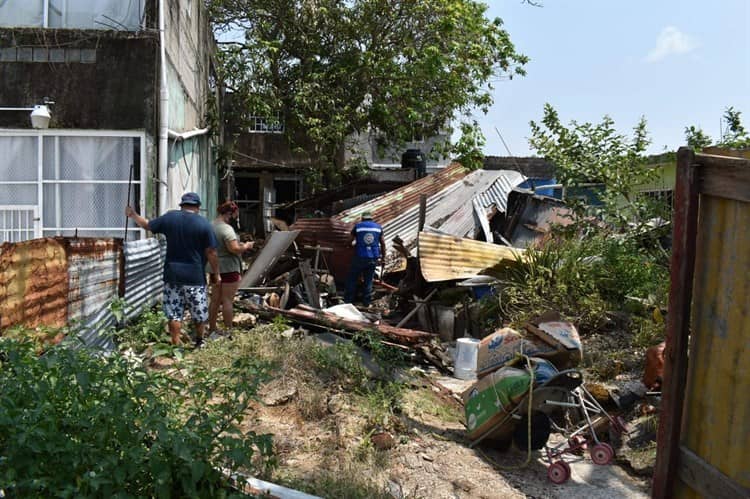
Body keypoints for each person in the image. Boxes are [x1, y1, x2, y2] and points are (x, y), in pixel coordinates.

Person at [126, 192, 219, 347]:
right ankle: (199, 341)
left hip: (172, 275)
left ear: (182, 205)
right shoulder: (203, 224)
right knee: (199, 311)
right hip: (194, 277)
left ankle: (175, 345)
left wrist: (133, 214)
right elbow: (211, 252)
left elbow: (148, 225)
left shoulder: (170, 218)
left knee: (174, 312)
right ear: (197, 207)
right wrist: (216, 273)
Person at [208, 201, 254, 334]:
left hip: (213, 267)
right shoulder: (226, 229)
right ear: (230, 213)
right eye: (235, 214)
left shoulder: (210, 226)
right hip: (229, 268)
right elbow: (234, 249)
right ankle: (229, 331)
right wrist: (246, 246)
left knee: (215, 300)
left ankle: (212, 328)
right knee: (228, 300)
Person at [344, 210, 386, 306]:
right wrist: (383, 258)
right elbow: (383, 244)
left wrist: (351, 246)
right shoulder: (378, 227)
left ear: (362, 218)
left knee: (352, 278)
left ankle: (348, 301)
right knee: (368, 281)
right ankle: (366, 303)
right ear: (371, 218)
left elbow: (349, 241)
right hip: (373, 258)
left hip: (360, 257)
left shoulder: (358, 227)